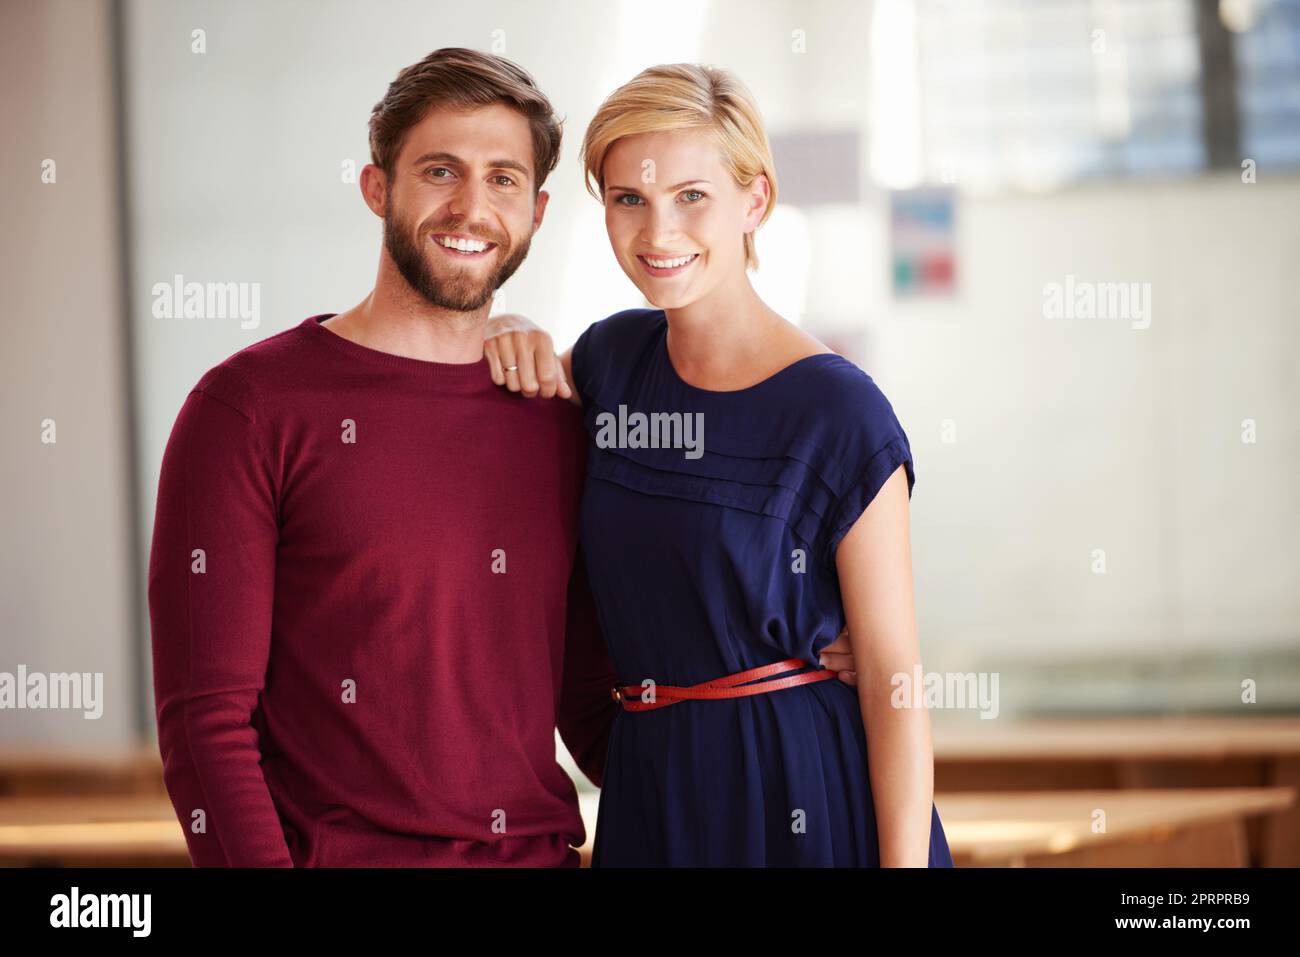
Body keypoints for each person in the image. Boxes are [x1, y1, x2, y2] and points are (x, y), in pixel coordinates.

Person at [484, 63, 954, 866]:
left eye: (690, 195)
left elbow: (891, 679)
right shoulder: (608, 362)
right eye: (629, 198)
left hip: (803, 786)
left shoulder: (839, 413)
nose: (657, 232)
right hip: (650, 790)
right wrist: (510, 322)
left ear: (756, 201)